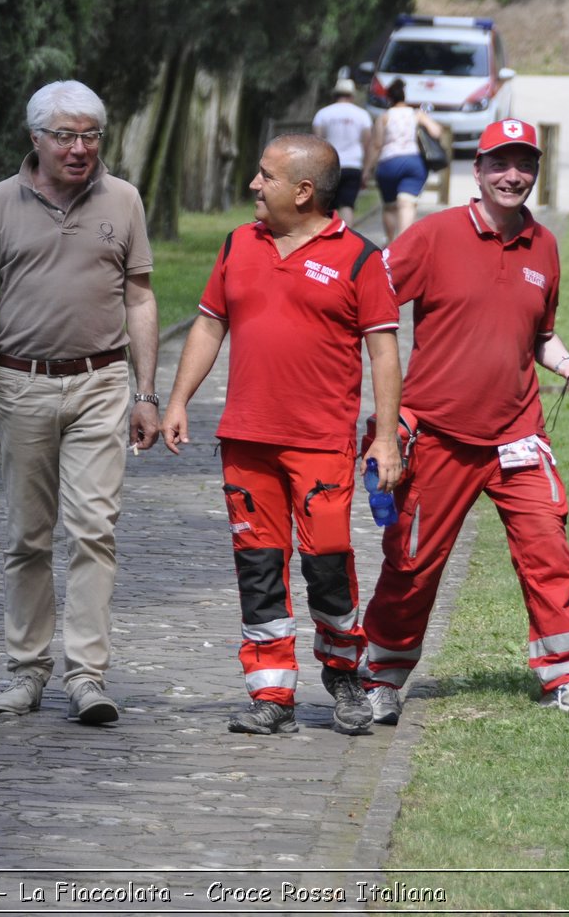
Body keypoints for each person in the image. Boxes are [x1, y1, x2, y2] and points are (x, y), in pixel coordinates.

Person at [358, 118, 569, 724]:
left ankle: (566, 676)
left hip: (518, 432)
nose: (513, 176)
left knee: (549, 551)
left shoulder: (544, 246)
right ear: (478, 170)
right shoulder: (434, 235)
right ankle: (382, 679)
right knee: (412, 564)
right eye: (500, 163)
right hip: (439, 435)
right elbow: (370, 300)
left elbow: (540, 336)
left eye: (524, 165)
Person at [160, 134, 402, 736]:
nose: (252, 186)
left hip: (320, 445)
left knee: (327, 566)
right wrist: (178, 401)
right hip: (246, 441)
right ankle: (271, 694)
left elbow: (384, 353)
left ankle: (344, 675)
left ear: (303, 190)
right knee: (259, 568)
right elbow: (210, 326)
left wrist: (387, 437)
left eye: (263, 176)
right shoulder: (238, 243)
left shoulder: (360, 260)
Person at [0, 80, 160, 726]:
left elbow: (142, 298)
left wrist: (144, 392)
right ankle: (26, 668)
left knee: (95, 528)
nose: (79, 148)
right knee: (27, 534)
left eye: (90, 135)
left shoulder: (122, 199)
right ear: (35, 138)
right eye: (65, 136)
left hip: (101, 382)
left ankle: (88, 674)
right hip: (23, 382)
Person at [363, 77, 447, 242]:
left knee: (389, 207)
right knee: (407, 203)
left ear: (389, 98)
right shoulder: (416, 114)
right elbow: (436, 131)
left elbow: (377, 145)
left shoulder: (384, 117)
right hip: (413, 162)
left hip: (388, 163)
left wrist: (366, 169)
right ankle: (404, 243)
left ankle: (390, 241)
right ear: (404, 96)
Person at [310, 77, 373, 223]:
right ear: (352, 95)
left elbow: (316, 143)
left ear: (335, 94)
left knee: (327, 206)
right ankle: (348, 238)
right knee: (348, 205)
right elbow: (367, 143)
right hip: (353, 165)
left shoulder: (323, 114)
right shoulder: (362, 115)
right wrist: (367, 169)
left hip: (330, 165)